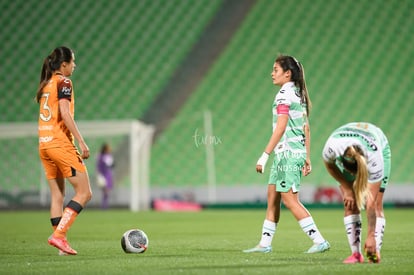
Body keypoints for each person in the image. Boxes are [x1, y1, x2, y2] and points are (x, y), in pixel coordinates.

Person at [244, 55, 330, 254]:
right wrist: (307, 156)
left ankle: (319, 240)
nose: (272, 73)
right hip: (290, 153)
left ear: (287, 73)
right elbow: (306, 128)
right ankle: (264, 244)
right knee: (272, 196)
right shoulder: (298, 94)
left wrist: (264, 155)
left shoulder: (284, 95)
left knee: (290, 199)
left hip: (288, 154)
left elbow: (281, 126)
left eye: (275, 69)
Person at [36, 46, 92, 255]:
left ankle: (60, 244)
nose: (74, 66)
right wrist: (81, 141)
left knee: (57, 195)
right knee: (84, 192)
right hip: (60, 144)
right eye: (73, 62)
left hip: (44, 143)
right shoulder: (64, 81)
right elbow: (65, 113)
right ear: (64, 64)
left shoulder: (46, 84)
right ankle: (58, 235)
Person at [322, 122, 391, 264]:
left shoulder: (374, 157)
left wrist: (370, 235)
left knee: (376, 203)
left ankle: (374, 251)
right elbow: (329, 165)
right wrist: (347, 189)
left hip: (379, 144)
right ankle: (356, 254)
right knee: (350, 203)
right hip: (349, 144)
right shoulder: (332, 146)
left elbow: (370, 202)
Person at [96, 143, 115, 209]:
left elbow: (112, 165)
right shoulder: (101, 156)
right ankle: (104, 206)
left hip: (108, 174)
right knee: (105, 190)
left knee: (106, 191)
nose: (110, 149)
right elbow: (99, 166)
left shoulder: (108, 156)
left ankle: (104, 206)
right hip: (102, 175)